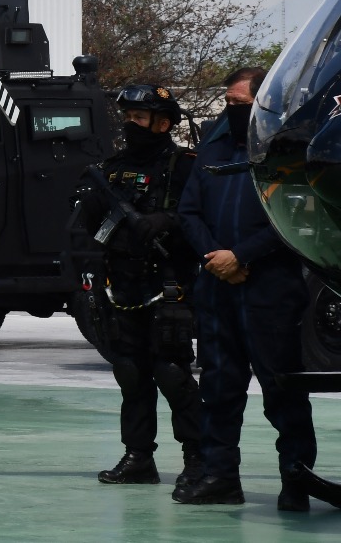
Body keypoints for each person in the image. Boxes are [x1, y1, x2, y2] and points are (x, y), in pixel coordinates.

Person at [175, 67, 320, 510]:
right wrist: (216, 259)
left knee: (282, 390)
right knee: (218, 388)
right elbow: (189, 213)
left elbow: (297, 215)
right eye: (230, 104)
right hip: (218, 286)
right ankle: (221, 477)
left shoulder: (287, 151)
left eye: (241, 104)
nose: (232, 111)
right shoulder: (213, 147)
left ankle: (296, 479)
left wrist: (242, 256)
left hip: (269, 288)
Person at [70, 83, 202, 488]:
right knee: (130, 372)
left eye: (139, 118)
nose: (131, 124)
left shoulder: (184, 167)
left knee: (172, 374)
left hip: (169, 285)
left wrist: (169, 222)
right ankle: (138, 456)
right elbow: (85, 228)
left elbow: (202, 219)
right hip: (122, 287)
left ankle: (197, 458)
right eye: (127, 117)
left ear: (163, 123)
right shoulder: (110, 169)